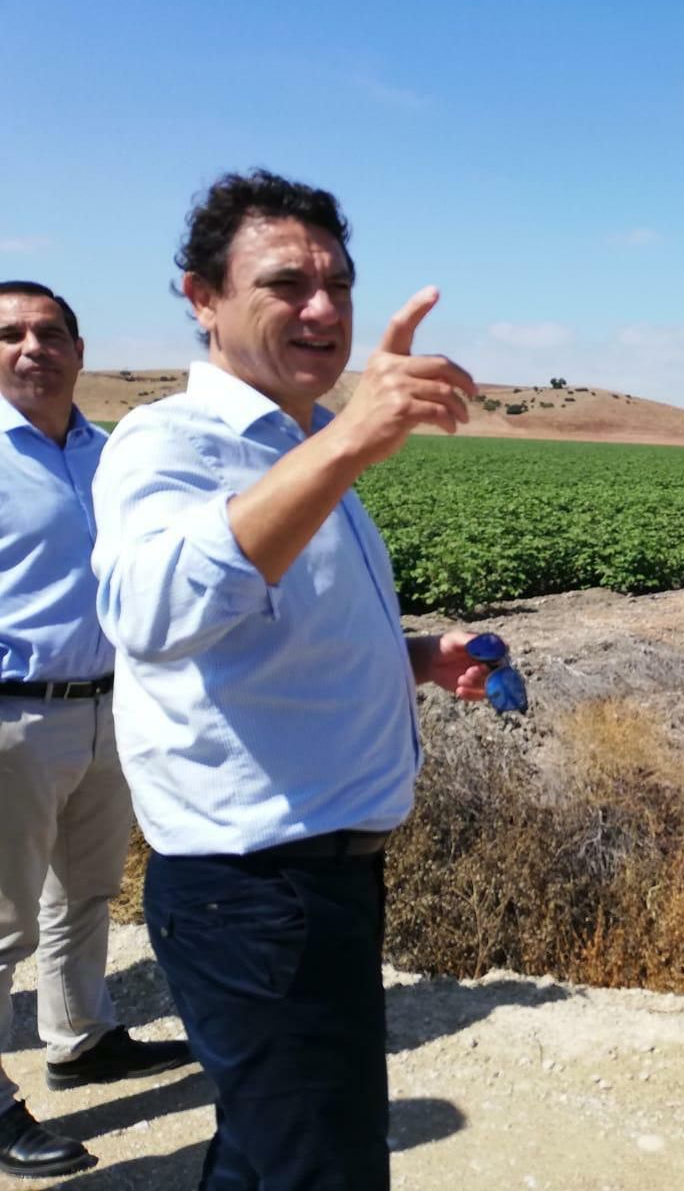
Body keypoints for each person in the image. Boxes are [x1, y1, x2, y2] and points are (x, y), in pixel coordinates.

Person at [91, 170, 491, 1189]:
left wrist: (414, 660)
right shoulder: (169, 444)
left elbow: (265, 636)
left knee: (267, 1152)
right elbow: (146, 613)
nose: (323, 309)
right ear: (202, 298)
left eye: (339, 285)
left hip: (316, 881)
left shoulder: (302, 441)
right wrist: (354, 438)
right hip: (254, 891)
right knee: (323, 1170)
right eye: (286, 283)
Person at [0, 282, 193, 1179]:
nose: (30, 347)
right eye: (9, 334)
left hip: (109, 705)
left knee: (82, 890)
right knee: (1, 924)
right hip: (13, 714)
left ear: (80, 350)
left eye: (48, 332)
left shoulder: (109, 454)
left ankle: (78, 1035)